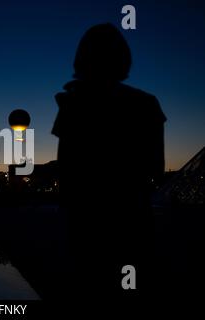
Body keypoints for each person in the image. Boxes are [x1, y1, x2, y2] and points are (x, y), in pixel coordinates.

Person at [52, 23, 166, 298]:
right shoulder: (148, 104)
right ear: (123, 58)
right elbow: (155, 168)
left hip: (86, 221)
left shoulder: (72, 104)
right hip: (132, 218)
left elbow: (65, 168)